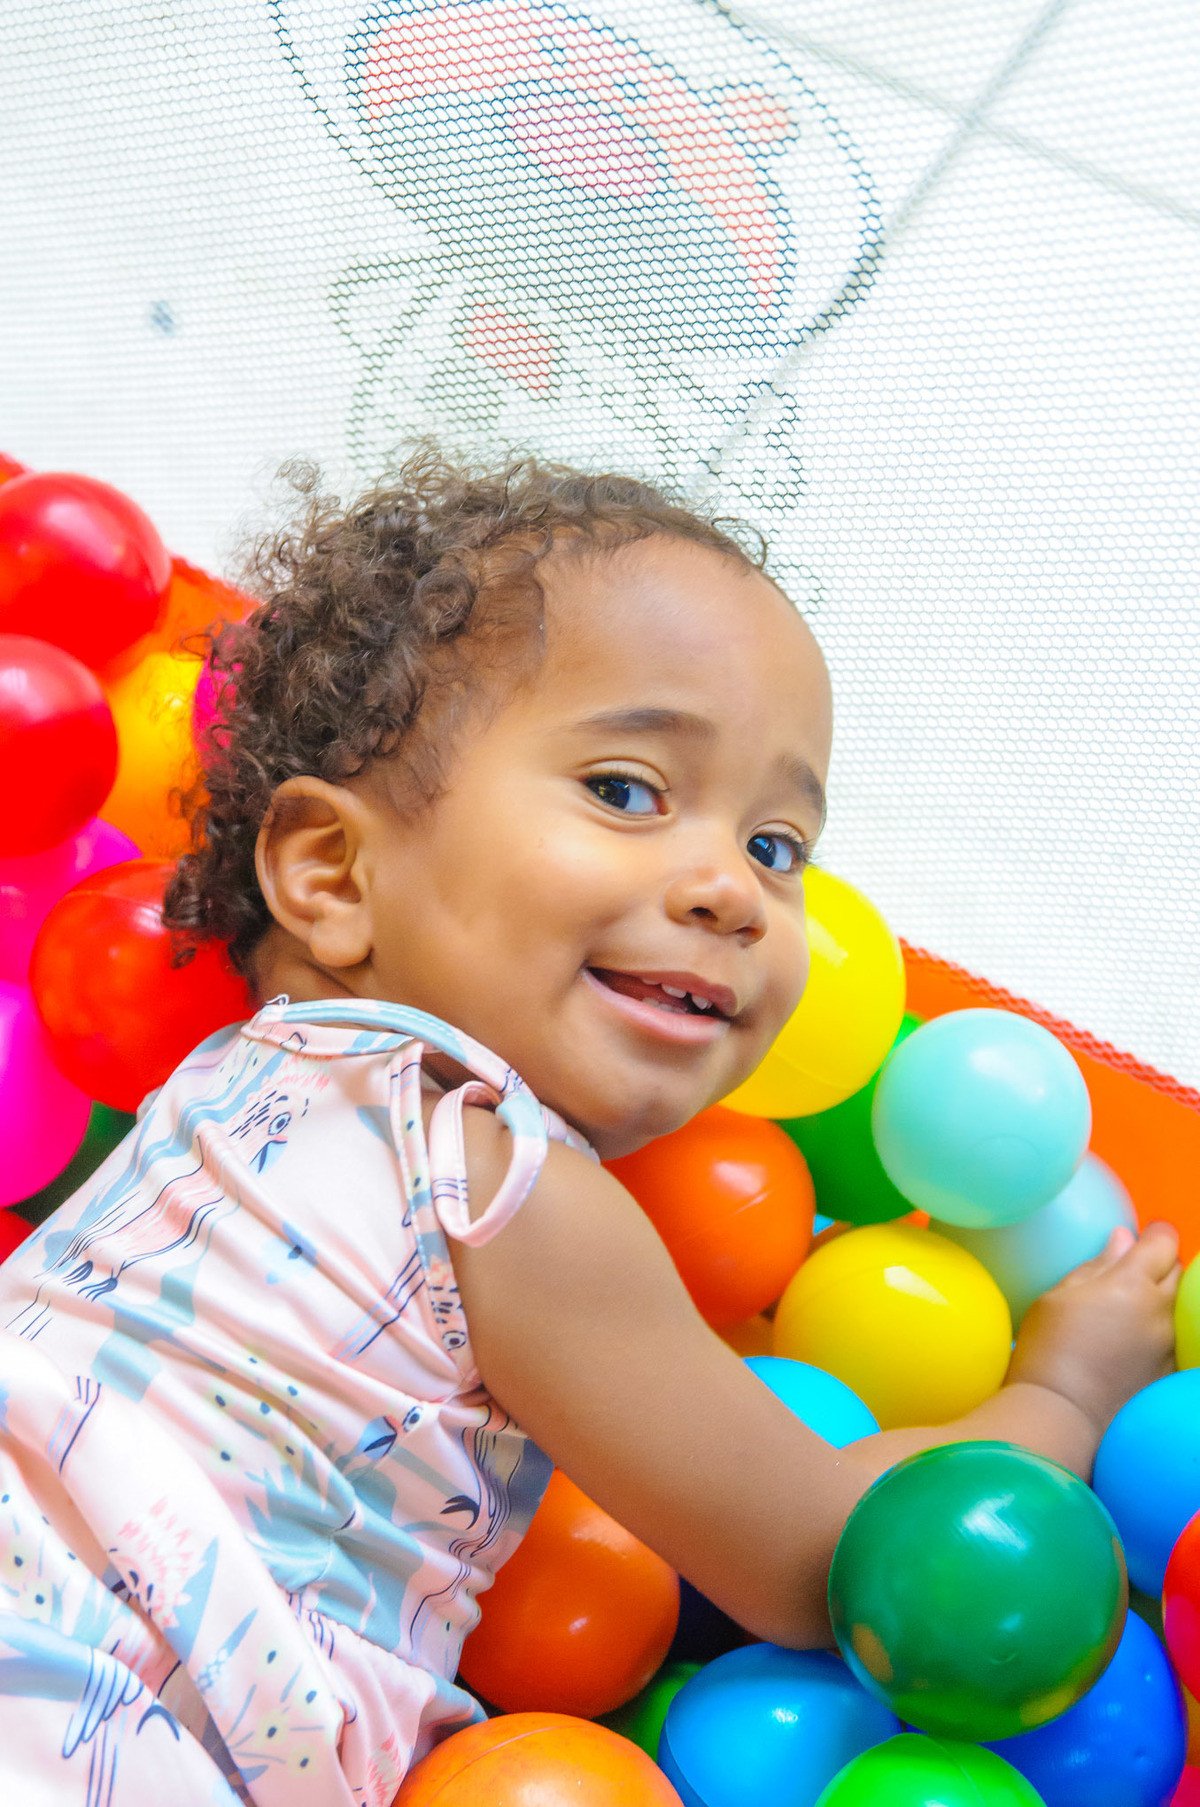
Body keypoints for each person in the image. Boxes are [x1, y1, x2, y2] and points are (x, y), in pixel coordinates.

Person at [0, 449, 1178, 1805]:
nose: (733, 890)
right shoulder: (496, 1185)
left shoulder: (218, 1086)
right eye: (627, 791)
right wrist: (1064, 1392)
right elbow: (827, 1560)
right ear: (332, 873)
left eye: (780, 845)